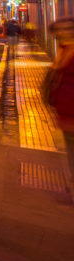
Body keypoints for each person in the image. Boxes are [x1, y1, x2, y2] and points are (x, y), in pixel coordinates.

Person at [45, 17, 74, 203]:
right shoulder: (64, 50)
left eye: (68, 29)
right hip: (65, 110)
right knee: (71, 151)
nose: (63, 33)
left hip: (70, 108)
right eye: (59, 30)